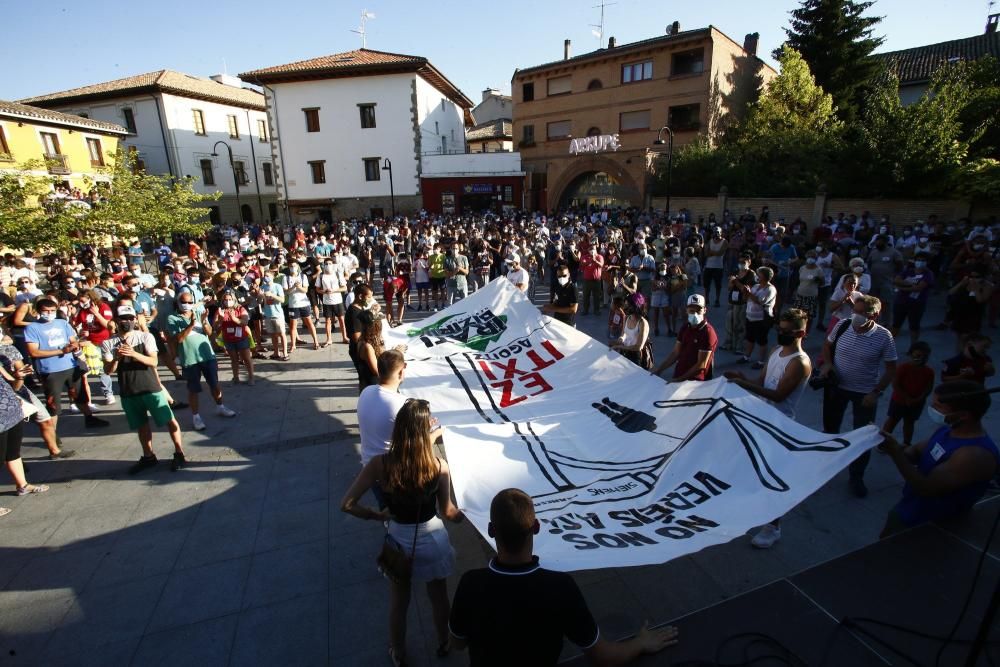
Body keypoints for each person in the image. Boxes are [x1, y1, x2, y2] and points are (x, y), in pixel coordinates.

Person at [448, 488, 679, 666]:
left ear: (491, 530)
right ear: (536, 527)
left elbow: (457, 642)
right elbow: (604, 658)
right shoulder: (559, 588)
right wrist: (640, 643)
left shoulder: (471, 584)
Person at [340, 399, 462, 667]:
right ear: (423, 432)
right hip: (433, 539)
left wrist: (376, 515)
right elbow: (449, 512)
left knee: (399, 602)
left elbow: (346, 504)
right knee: (439, 596)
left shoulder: (379, 465)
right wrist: (468, 513)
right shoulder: (438, 466)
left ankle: (399, 652)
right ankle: (444, 642)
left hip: (398, 541)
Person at [725, 308, 812, 548]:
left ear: (801, 333)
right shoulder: (775, 351)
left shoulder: (800, 363)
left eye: (786, 331)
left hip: (779, 424)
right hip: (759, 418)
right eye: (779, 329)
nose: (780, 334)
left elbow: (778, 395)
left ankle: (773, 526)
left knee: (771, 477)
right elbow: (761, 383)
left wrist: (743, 383)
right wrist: (742, 378)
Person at [879, 381, 999, 537]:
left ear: (963, 415)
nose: (932, 409)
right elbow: (916, 452)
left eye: (938, 407)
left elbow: (927, 488)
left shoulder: (973, 455)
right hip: (909, 509)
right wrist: (890, 445)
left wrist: (895, 452)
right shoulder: (948, 430)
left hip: (930, 528)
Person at [818, 295, 898, 497]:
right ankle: (826, 465)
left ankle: (856, 476)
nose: (857, 316)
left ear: (875, 315)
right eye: (856, 311)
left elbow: (890, 369)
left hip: (864, 394)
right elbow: (827, 346)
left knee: (863, 436)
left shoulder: (884, 337)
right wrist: (827, 364)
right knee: (830, 428)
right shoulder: (843, 325)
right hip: (837, 387)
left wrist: (876, 392)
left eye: (863, 313)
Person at [102, 305, 188, 473]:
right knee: (141, 425)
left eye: (130, 318)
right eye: (123, 319)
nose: (127, 322)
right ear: (116, 320)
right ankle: (148, 456)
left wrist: (133, 354)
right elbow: (108, 370)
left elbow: (154, 361)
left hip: (150, 387)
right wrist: (117, 358)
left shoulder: (145, 337)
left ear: (135, 320)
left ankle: (179, 453)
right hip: (129, 390)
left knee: (169, 421)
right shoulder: (108, 343)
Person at [24, 298, 109, 430]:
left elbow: (73, 340)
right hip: (50, 370)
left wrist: (74, 345)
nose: (49, 313)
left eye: (52, 310)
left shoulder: (62, 323)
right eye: (46, 311)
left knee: (80, 396)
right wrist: (61, 351)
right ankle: (52, 434)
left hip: (71, 366)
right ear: (39, 311)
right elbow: (33, 352)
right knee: (53, 404)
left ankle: (90, 418)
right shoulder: (32, 328)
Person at [167, 291, 237, 431]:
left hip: (207, 356)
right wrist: (191, 324)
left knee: (214, 384)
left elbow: (210, 333)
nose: (187, 305)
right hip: (190, 359)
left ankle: (220, 407)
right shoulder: (172, 318)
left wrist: (204, 321)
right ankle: (196, 417)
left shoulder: (198, 314)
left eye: (189, 302)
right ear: (178, 303)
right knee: (193, 389)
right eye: (184, 302)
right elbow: (179, 339)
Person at [0, 363, 50, 516]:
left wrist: (19, 377)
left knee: (13, 454)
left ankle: (23, 485)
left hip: (12, 413)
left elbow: (14, 386)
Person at [653, 294, 718, 382]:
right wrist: (659, 370)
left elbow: (701, 365)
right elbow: (676, 352)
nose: (695, 314)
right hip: (679, 375)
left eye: (698, 310)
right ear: (686, 310)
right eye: (691, 310)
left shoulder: (708, 332)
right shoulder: (685, 327)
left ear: (705, 310)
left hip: (695, 383)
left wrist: (680, 379)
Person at [881, 341, 934, 448]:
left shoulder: (929, 371)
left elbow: (929, 387)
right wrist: (907, 398)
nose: (921, 359)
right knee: (892, 421)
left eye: (925, 356)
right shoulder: (903, 368)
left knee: (909, 423)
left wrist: (920, 397)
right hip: (899, 401)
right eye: (918, 356)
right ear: (910, 354)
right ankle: (882, 442)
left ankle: (906, 443)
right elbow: (895, 385)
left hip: (917, 403)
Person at [737, 266, 777, 369]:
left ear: (765, 276)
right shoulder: (756, 286)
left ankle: (761, 361)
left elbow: (760, 301)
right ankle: (747, 356)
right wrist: (745, 292)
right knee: (750, 338)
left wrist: (749, 293)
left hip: (762, 319)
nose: (757, 276)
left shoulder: (770, 289)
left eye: (759, 274)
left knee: (761, 340)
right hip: (750, 317)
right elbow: (747, 299)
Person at [214, 290, 255, 385]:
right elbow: (215, 327)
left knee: (246, 358)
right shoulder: (220, 310)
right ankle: (236, 377)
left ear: (234, 299)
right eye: (225, 300)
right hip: (228, 339)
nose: (227, 301)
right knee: (234, 359)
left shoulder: (240, 309)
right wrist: (220, 319)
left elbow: (245, 322)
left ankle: (251, 377)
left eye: (230, 299)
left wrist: (234, 319)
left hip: (241, 338)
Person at [610, 292, 650, 368]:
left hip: (635, 356)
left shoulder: (642, 323)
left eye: (628, 305)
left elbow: (638, 347)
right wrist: (619, 340)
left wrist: (620, 347)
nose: (625, 307)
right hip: (624, 352)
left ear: (635, 306)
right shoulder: (627, 317)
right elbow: (623, 334)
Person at [315, 259, 348, 345]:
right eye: (326, 264)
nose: (328, 265)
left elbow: (344, 288)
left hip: (338, 301)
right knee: (328, 321)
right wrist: (324, 291)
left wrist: (334, 291)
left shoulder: (338, 274)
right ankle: (329, 339)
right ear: (324, 265)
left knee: (341, 320)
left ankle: (344, 337)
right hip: (326, 302)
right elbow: (317, 289)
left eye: (330, 263)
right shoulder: (321, 276)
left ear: (333, 265)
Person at [260, 268, 288, 360]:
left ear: (272, 277)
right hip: (268, 314)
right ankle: (276, 352)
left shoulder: (277, 286)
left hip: (277, 314)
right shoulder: (263, 287)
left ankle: (285, 353)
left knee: (281, 333)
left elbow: (282, 300)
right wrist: (260, 295)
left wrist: (272, 295)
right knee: (272, 334)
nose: (266, 278)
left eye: (268, 276)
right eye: (265, 276)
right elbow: (260, 301)